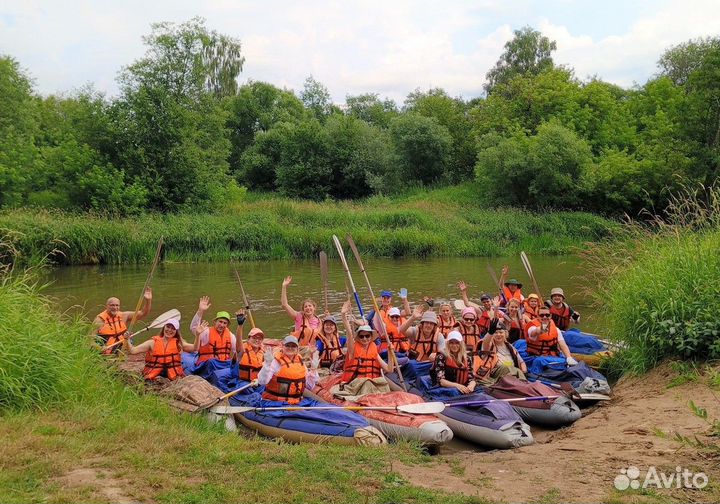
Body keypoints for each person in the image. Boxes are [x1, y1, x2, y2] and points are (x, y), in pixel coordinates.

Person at [340, 300, 392, 386]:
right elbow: (349, 333)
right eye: (361, 336)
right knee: (367, 384)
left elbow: (389, 369)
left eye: (367, 336)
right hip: (355, 384)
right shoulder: (352, 349)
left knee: (381, 384)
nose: (364, 338)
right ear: (358, 338)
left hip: (371, 382)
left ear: (371, 337)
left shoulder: (373, 350)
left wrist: (390, 353)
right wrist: (343, 315)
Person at [125, 318, 194, 381]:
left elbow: (195, 348)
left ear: (176, 331)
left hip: (173, 374)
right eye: (168, 327)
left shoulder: (179, 343)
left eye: (173, 328)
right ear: (164, 327)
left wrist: (198, 334)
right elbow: (132, 350)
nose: (169, 330)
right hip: (154, 374)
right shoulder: (152, 342)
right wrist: (127, 340)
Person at [259, 335, 320, 404]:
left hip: (297, 402)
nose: (290, 348)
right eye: (287, 345)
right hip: (276, 403)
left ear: (297, 349)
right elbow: (262, 382)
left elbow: (309, 386)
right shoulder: (275, 362)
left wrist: (313, 370)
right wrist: (267, 364)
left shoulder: (300, 363)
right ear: (282, 347)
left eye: (293, 346)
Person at [94, 287, 152, 355]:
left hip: (123, 350)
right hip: (107, 352)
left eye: (117, 305)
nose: (115, 308)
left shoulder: (124, 315)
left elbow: (143, 313)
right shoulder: (99, 320)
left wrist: (148, 300)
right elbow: (89, 340)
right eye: (112, 305)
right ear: (107, 306)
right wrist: (99, 348)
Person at [191, 296, 241, 364]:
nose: (222, 325)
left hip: (224, 365)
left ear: (227, 325)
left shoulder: (231, 336)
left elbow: (238, 350)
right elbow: (194, 328)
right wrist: (200, 311)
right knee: (212, 363)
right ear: (215, 322)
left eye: (225, 323)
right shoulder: (207, 332)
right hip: (207, 365)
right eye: (220, 322)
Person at [474, 320, 527, 384]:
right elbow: (486, 342)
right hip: (494, 375)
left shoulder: (510, 347)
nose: (498, 335)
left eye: (501, 332)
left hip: (512, 373)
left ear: (505, 334)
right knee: (507, 368)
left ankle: (522, 383)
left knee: (516, 371)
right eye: (495, 333)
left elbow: (521, 362)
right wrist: (490, 332)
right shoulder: (489, 345)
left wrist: (523, 371)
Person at [281, 276, 320, 346]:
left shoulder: (319, 321)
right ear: (303, 310)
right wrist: (284, 287)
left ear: (314, 308)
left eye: (310, 306)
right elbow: (284, 305)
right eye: (305, 307)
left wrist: (328, 317)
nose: (308, 308)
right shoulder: (298, 317)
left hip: (312, 349)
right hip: (299, 348)